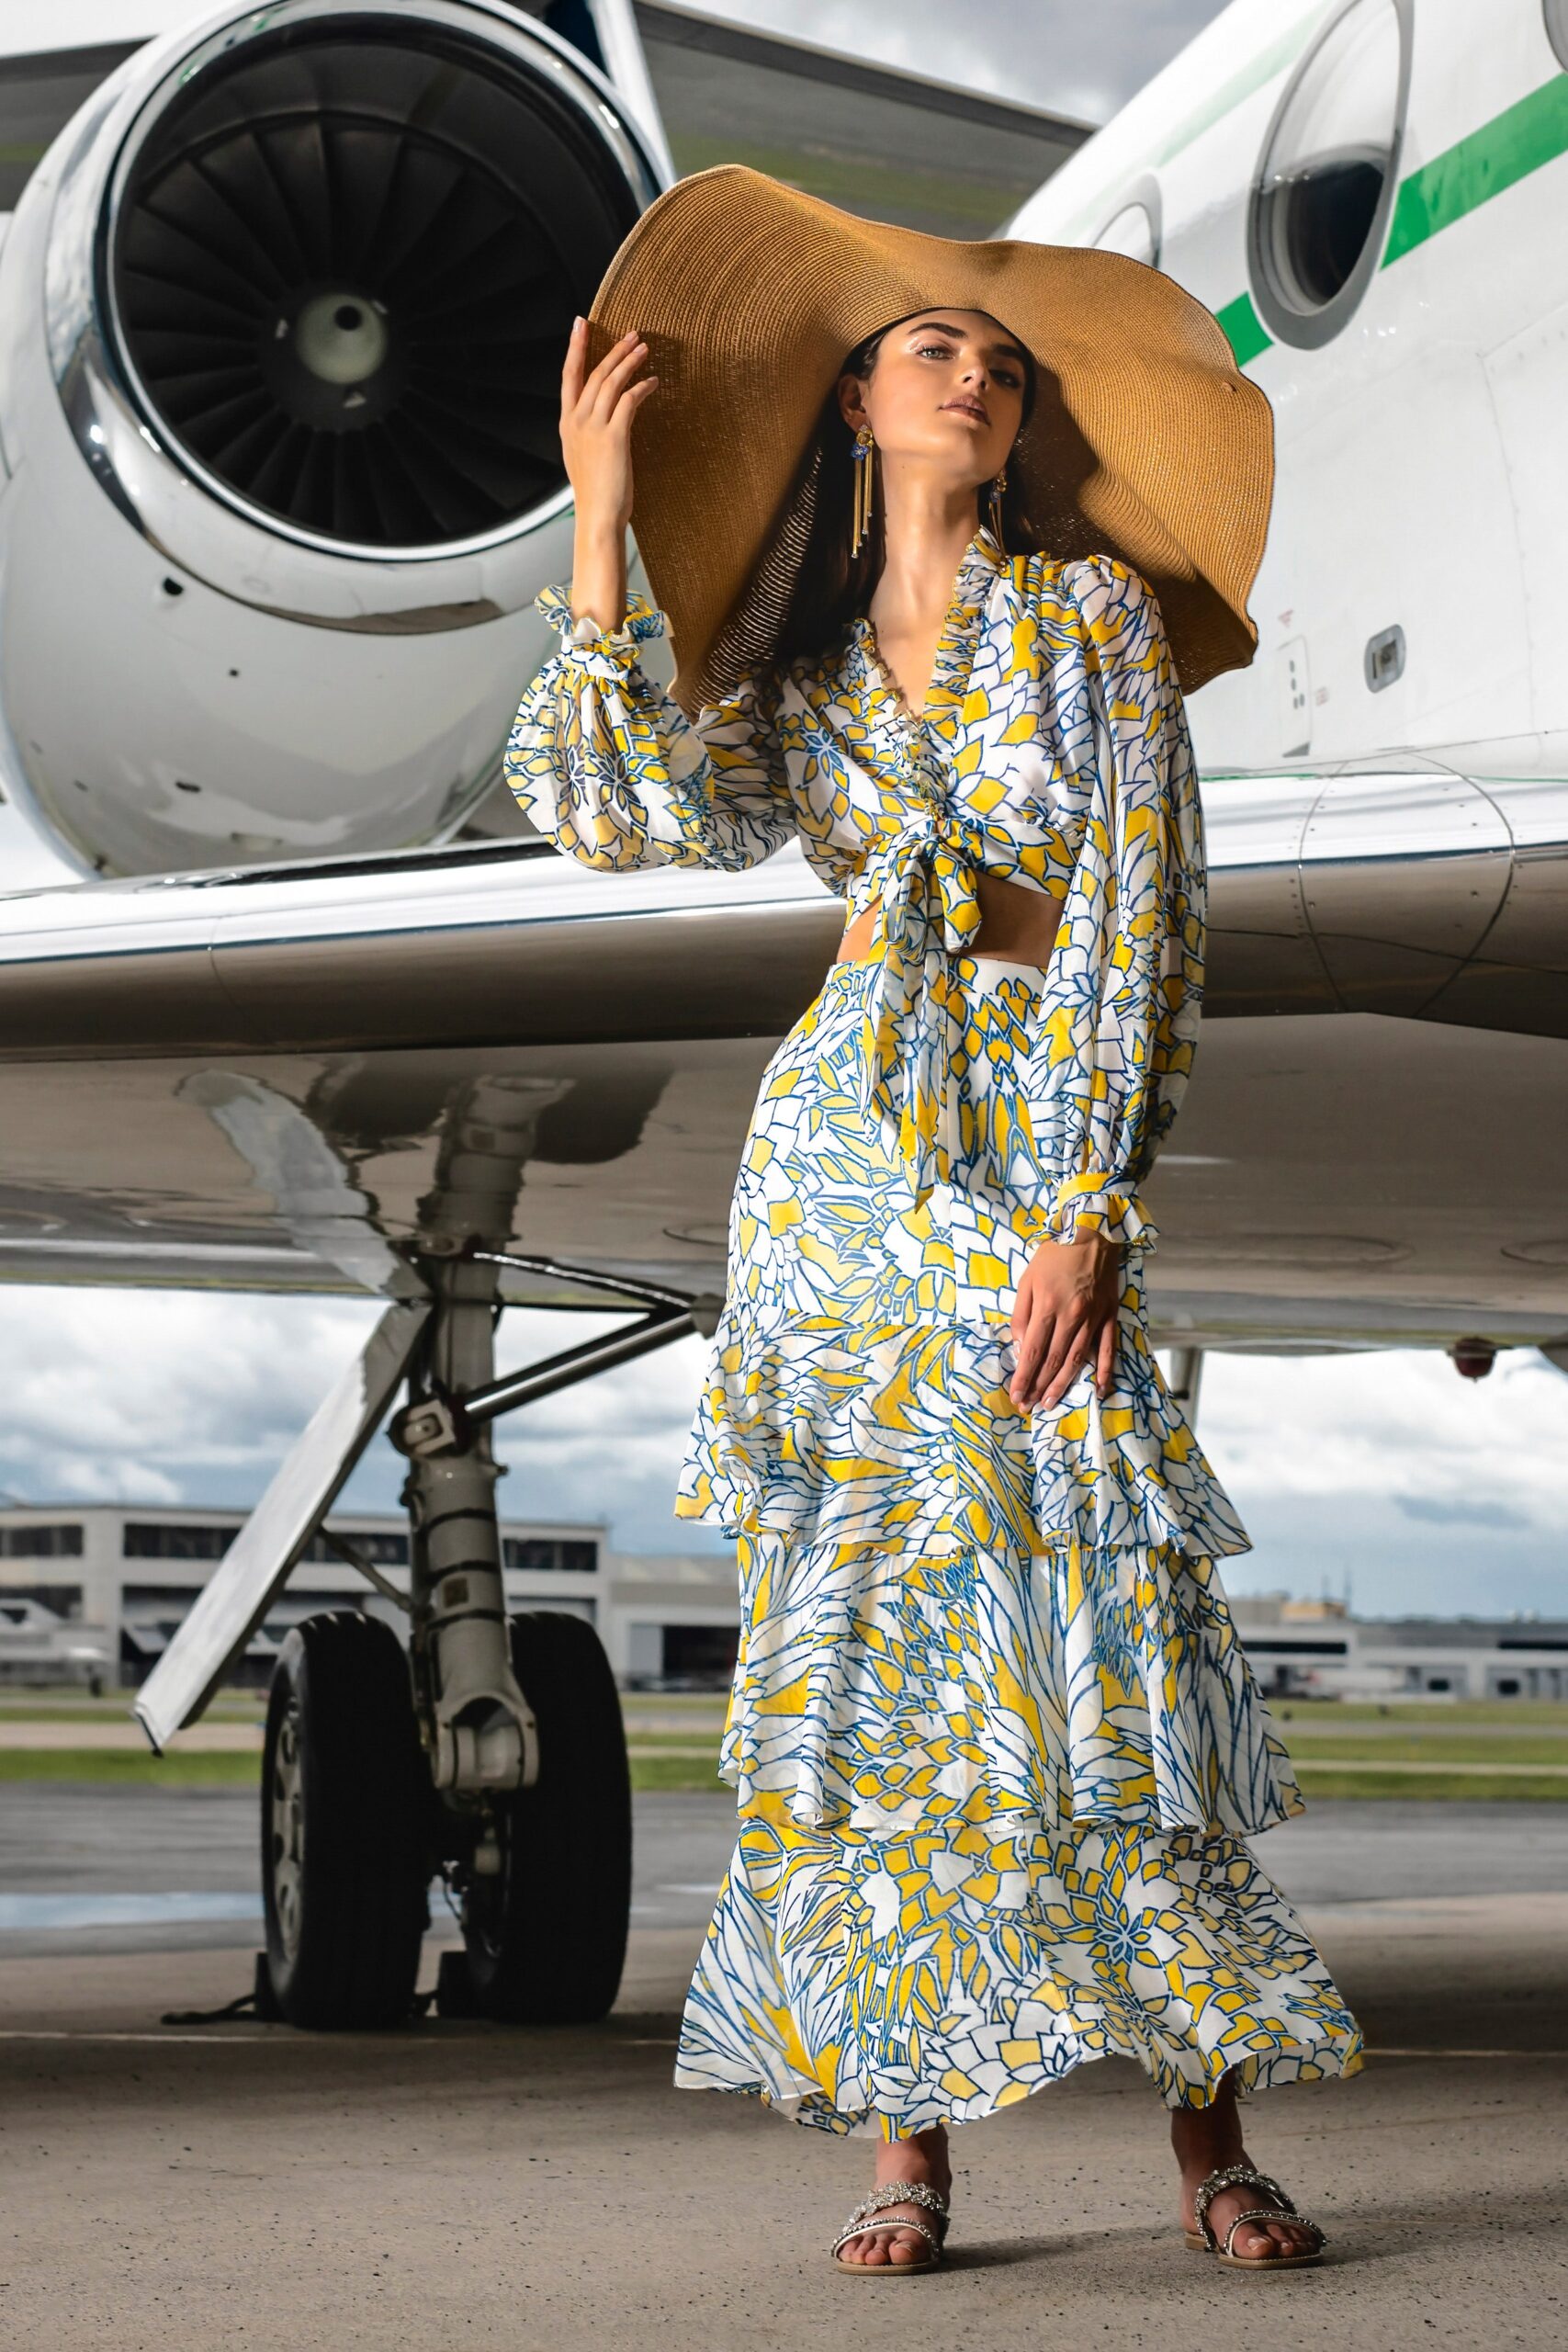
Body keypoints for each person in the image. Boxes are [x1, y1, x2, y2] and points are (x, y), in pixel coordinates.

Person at [506, 166, 1363, 2278]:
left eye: (996, 356)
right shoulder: (793, 691)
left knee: (1102, 1618)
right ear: (853, 406)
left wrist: (1086, 1203)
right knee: (874, 1643)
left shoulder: (1084, 620)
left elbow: (1140, 926)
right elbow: (616, 812)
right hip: (837, 1178)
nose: (972, 372)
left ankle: (1204, 2139)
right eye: (929, 348)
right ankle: (906, 2146)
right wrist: (598, 511)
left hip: (1019, 1153)